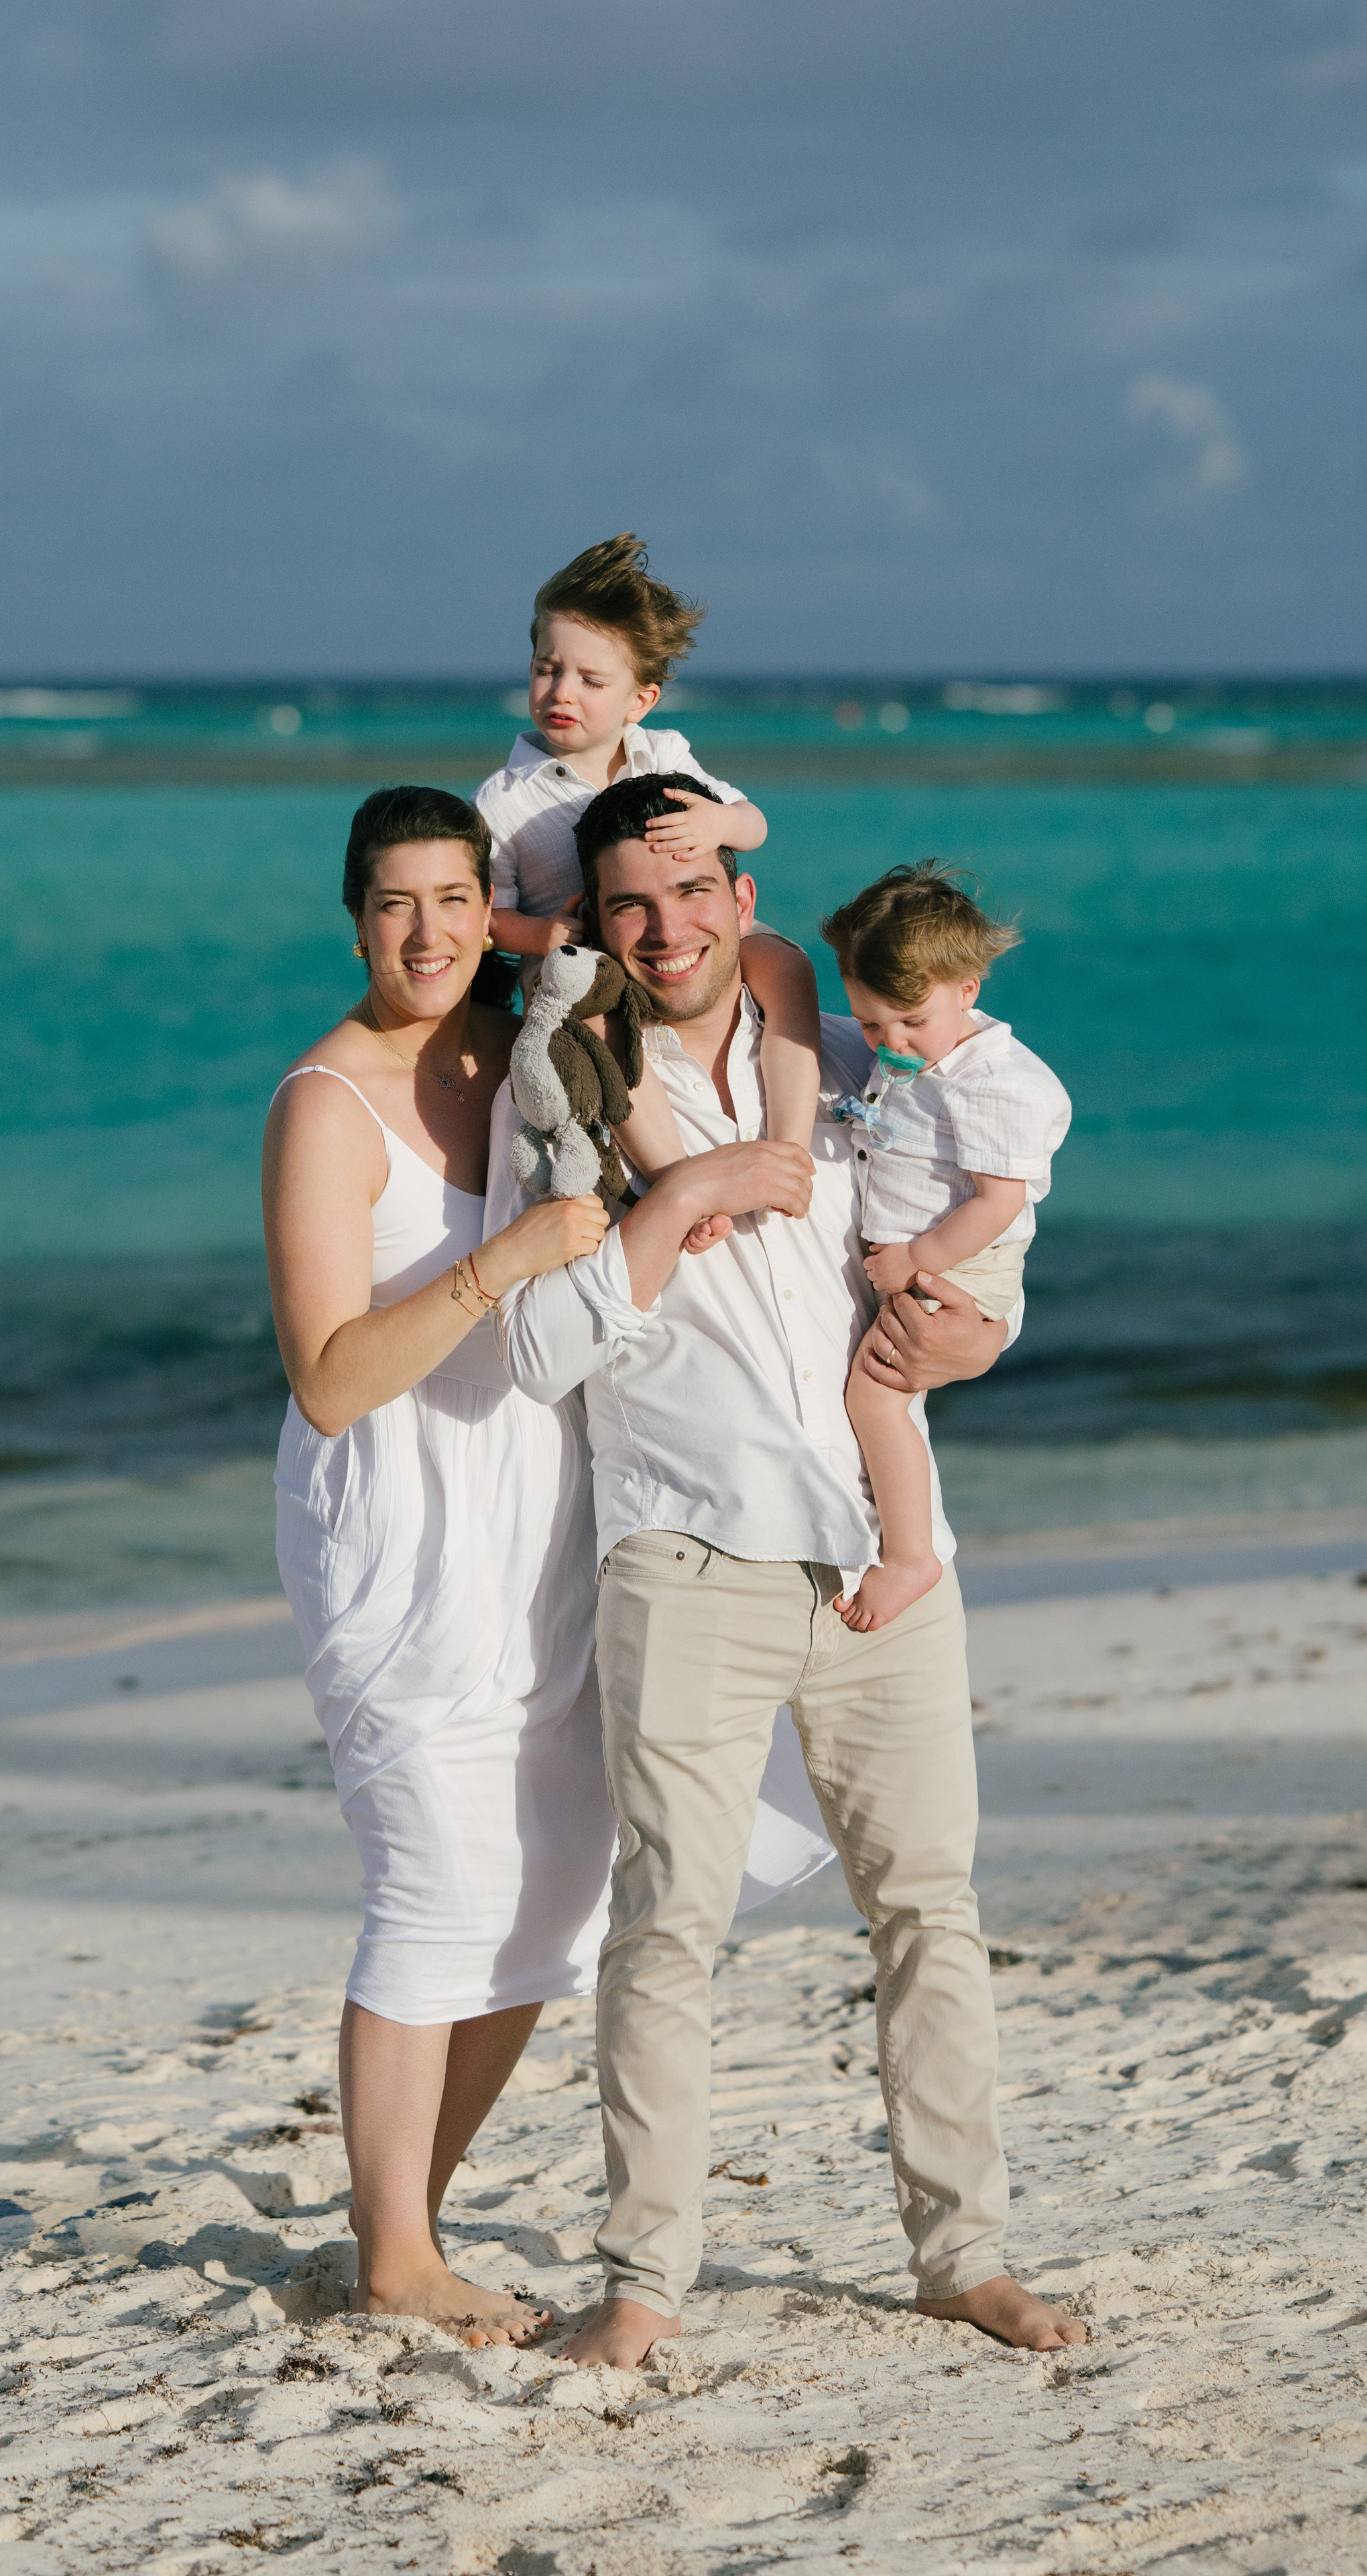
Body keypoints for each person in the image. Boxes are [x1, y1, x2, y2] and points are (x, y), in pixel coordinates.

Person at [488, 773, 1087, 2368]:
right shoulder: (561, 1088)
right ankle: (643, 2279)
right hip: (683, 1549)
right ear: (597, 926)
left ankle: (960, 2254)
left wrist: (967, 1336)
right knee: (666, 1923)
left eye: (692, 891)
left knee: (928, 1906)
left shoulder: (835, 1049)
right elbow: (538, 1342)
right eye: (630, 902)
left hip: (883, 1553)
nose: (666, 923)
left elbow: (974, 1269)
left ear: (739, 904)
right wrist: (674, 1194)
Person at [263, 785, 616, 2349]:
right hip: (393, 1530)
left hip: (528, 1506)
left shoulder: (513, 1045)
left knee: (550, 1887)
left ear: (493, 909)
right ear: (354, 915)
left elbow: (690, 944)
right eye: (396, 902)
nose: (425, 932)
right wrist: (496, 1262)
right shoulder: (321, 1104)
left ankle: (408, 2206)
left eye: (453, 899)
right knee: (427, 1882)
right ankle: (392, 2252)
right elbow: (331, 1376)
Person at [475, 532, 823, 1174]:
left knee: (788, 965)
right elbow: (486, 915)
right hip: (572, 958)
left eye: (590, 679)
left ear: (641, 700)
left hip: (666, 933)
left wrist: (719, 822)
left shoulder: (662, 754)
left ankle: (791, 1144)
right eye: (547, 669)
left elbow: (756, 824)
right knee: (593, 1010)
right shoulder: (505, 799)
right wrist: (541, 935)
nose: (561, 692)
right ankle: (669, 1169)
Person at [821, 863, 1071, 1631]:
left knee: (876, 1394)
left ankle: (911, 1556)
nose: (890, 1043)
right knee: (881, 1395)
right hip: (929, 1254)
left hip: (961, 1259)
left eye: (907, 1021)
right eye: (869, 1025)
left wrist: (916, 1258)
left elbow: (998, 1204)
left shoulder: (993, 1084)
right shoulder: (925, 1056)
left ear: (967, 987)